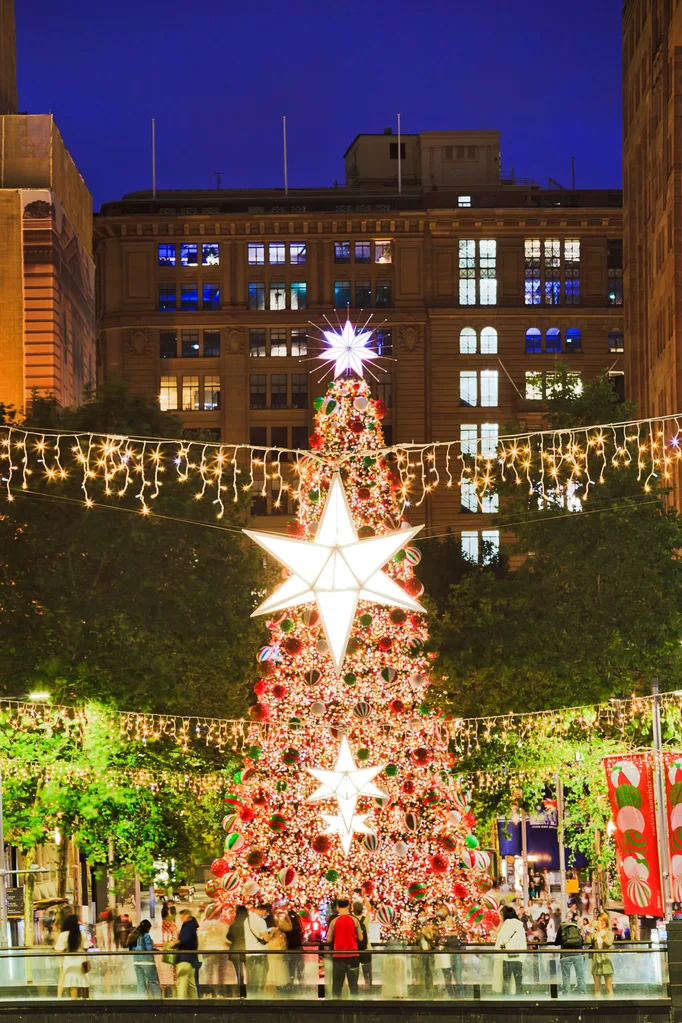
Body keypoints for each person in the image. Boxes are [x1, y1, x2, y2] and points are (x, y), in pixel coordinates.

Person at [327, 897, 363, 998]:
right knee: (353, 987)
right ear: (348, 906)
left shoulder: (334, 921)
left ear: (338, 907)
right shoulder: (354, 920)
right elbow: (360, 938)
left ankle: (337, 1009)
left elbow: (328, 939)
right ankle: (354, 1009)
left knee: (337, 987)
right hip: (353, 956)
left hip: (338, 957)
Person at [55, 914, 90, 999]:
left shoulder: (63, 935)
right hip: (81, 961)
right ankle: (85, 1003)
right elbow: (86, 947)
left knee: (73, 986)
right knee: (83, 983)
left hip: (69, 963)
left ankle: (74, 1003)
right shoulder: (83, 934)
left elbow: (59, 949)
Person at [495, 906, 526, 995]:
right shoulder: (520, 926)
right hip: (519, 957)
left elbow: (501, 941)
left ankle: (506, 998)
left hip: (507, 957)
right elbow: (523, 942)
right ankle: (519, 997)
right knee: (518, 980)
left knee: (506, 980)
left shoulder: (506, 925)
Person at [555, 914, 587, 995]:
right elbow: (582, 941)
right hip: (578, 954)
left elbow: (556, 942)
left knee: (566, 976)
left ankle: (567, 994)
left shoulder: (562, 927)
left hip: (566, 954)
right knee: (580, 975)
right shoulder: (576, 927)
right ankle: (583, 993)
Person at [435, 903, 463, 996]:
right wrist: (443, 938)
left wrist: (450, 933)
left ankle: (460, 996)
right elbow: (441, 939)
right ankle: (450, 995)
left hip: (455, 950)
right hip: (445, 952)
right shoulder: (439, 922)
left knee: (457, 975)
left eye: (444, 909)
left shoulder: (456, 921)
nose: (442, 911)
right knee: (447, 976)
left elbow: (461, 935)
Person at [244, 904, 271, 995]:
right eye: (266, 913)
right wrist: (273, 932)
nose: (265, 915)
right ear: (263, 911)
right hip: (260, 953)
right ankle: (259, 998)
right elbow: (266, 939)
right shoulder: (261, 921)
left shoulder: (246, 920)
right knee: (261, 979)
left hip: (249, 952)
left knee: (251, 978)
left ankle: (251, 997)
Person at [131, 919, 162, 999]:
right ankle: (157, 1000)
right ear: (147, 928)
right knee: (153, 981)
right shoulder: (146, 936)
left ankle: (141, 1000)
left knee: (140, 982)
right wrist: (156, 949)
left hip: (136, 962)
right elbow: (149, 949)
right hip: (147, 961)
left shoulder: (134, 935)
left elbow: (131, 949)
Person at [175, 909, 199, 999]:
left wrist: (176, 942)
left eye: (181, 916)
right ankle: (195, 1003)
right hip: (191, 958)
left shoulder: (187, 926)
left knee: (182, 982)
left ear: (186, 915)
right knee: (190, 983)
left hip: (184, 958)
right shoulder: (192, 926)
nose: (181, 919)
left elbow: (184, 940)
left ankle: (180, 1003)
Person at [588, 912, 614, 996]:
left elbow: (608, 943)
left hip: (606, 960)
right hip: (596, 960)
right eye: (598, 921)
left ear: (606, 922)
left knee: (609, 988)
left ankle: (612, 1006)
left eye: (602, 921)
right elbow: (587, 942)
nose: (600, 923)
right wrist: (589, 929)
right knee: (597, 988)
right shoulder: (594, 934)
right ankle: (597, 1007)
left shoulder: (610, 933)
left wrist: (601, 933)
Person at [226, 905, 248, 995]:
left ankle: (241, 992)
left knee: (239, 973)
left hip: (235, 950)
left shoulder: (234, 925)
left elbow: (228, 936)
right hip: (247, 949)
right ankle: (250, 990)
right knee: (249, 972)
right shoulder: (247, 924)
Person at [158, 903, 178, 997]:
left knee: (163, 977)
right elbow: (176, 939)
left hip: (161, 953)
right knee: (172, 977)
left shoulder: (159, 926)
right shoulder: (173, 925)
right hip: (170, 953)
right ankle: (174, 996)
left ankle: (163, 996)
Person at [352, 900, 372, 990]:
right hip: (366, 949)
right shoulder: (365, 919)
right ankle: (368, 988)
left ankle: (354, 989)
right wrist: (365, 898)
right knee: (367, 972)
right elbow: (370, 909)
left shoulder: (351, 919)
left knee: (354, 972)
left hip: (354, 949)